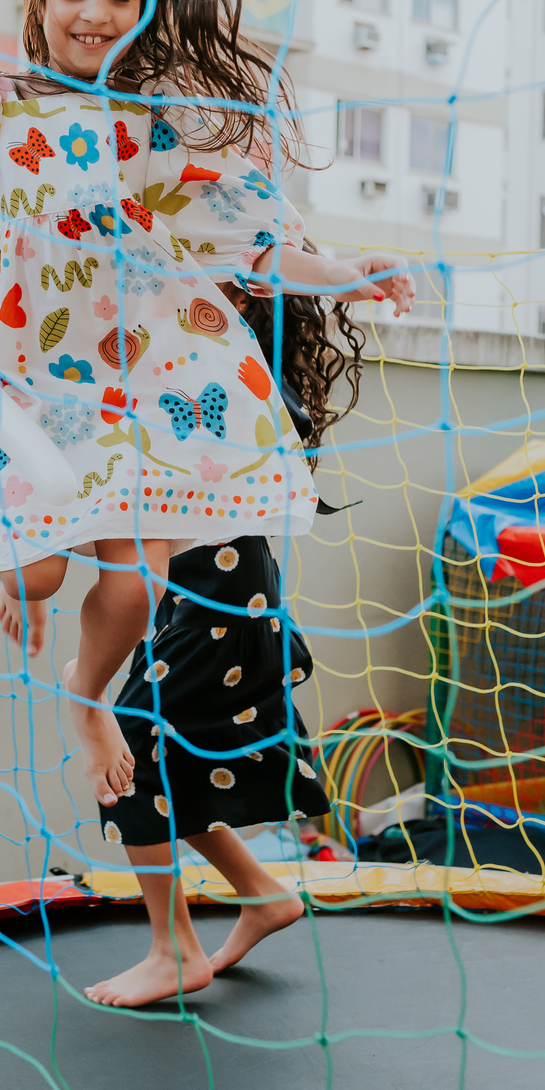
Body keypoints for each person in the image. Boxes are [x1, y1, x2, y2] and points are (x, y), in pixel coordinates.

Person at [0, 0, 413, 998]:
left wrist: (349, 270)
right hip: (43, 393)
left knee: (126, 616)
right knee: (50, 570)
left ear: (150, 6)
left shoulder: (152, 128)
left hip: (161, 399)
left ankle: (168, 927)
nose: (98, 12)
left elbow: (252, 238)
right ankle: (80, 684)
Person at [78, 282, 365, 1008]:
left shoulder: (188, 383)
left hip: (216, 599)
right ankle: (262, 893)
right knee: (167, 763)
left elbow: (128, 529)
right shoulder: (213, 381)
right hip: (218, 595)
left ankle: (175, 951)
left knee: (132, 765)